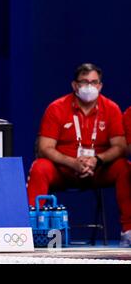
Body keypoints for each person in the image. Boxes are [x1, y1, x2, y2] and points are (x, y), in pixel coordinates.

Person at [26, 63, 131, 247]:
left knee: (123, 167)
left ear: (100, 86)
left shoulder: (111, 108)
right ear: (74, 85)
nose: (89, 87)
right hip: (64, 170)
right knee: (40, 167)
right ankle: (30, 230)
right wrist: (73, 163)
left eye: (94, 82)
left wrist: (97, 160)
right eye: (84, 82)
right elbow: (45, 147)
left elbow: (120, 146)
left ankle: (128, 231)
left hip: (99, 170)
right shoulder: (57, 108)